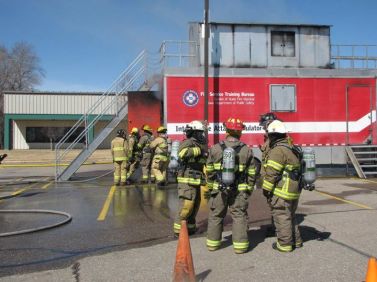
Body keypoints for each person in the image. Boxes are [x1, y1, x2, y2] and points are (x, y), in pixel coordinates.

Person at [206, 117, 257, 254]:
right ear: (240, 132)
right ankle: (240, 247)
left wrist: (211, 186)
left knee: (216, 215)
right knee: (239, 215)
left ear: (226, 130)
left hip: (219, 189)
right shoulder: (246, 150)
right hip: (239, 190)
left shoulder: (216, 148)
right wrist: (249, 188)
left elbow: (209, 170)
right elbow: (252, 172)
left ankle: (213, 244)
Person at [262, 120, 303, 252]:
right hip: (293, 190)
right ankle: (296, 241)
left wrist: (266, 190)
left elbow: (271, 173)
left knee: (282, 216)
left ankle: (285, 245)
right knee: (291, 216)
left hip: (282, 191)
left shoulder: (278, 151)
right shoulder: (291, 148)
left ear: (273, 136)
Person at [173, 120, 207, 237]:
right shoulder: (188, 142)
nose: (201, 135)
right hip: (186, 180)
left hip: (196, 180)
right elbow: (181, 153)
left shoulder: (201, 144)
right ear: (194, 132)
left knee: (195, 206)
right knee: (186, 206)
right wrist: (198, 151)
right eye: (199, 132)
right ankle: (178, 231)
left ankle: (191, 228)